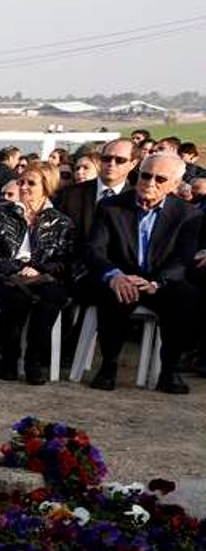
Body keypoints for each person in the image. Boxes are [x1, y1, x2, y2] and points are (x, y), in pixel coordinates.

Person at [85, 153, 201, 394]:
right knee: (113, 294)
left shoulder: (188, 215)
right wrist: (114, 275)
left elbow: (183, 258)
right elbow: (94, 249)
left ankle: (169, 371)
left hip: (161, 282)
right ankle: (108, 366)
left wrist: (157, 282)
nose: (150, 183)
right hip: (121, 278)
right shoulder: (111, 207)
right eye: (146, 175)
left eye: (160, 179)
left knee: (186, 297)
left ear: (175, 185)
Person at [0, 162, 76, 385]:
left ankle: (34, 361)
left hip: (43, 277)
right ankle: (9, 356)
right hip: (6, 275)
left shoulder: (62, 222)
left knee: (51, 298)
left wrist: (38, 269)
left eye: (31, 183)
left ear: (46, 187)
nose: (24, 187)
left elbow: (65, 260)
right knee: (15, 297)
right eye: (21, 182)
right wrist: (16, 267)